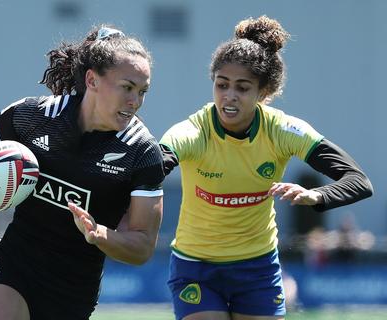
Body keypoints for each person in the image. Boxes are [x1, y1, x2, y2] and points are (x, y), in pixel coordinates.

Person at [0, 25, 165, 320]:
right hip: (14, 262)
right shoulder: (36, 116)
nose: (135, 101)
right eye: (127, 87)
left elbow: (143, 245)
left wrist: (99, 234)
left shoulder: (141, 151)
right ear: (92, 80)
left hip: (73, 288)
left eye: (142, 91)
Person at [160, 15, 373, 320]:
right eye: (222, 85)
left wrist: (316, 196)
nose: (229, 96)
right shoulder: (194, 132)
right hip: (196, 266)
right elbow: (156, 162)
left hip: (257, 268)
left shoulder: (283, 131)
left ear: (263, 92)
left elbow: (358, 180)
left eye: (242, 88)